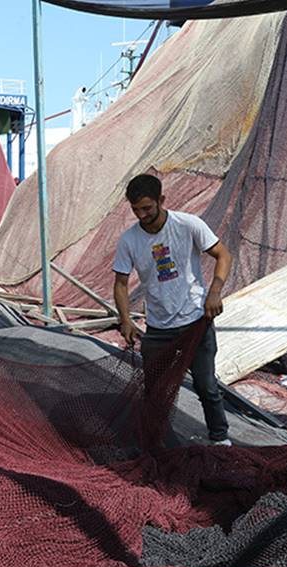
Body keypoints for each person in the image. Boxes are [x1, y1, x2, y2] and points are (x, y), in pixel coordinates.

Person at [112, 173, 233, 446]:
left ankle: (220, 438)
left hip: (195, 322)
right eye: (136, 210)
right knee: (154, 389)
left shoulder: (188, 225)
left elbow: (223, 255)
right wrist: (126, 321)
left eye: (147, 208)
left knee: (206, 385)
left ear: (161, 200)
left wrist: (214, 292)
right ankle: (158, 441)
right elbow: (120, 284)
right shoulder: (129, 240)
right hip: (158, 327)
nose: (142, 215)